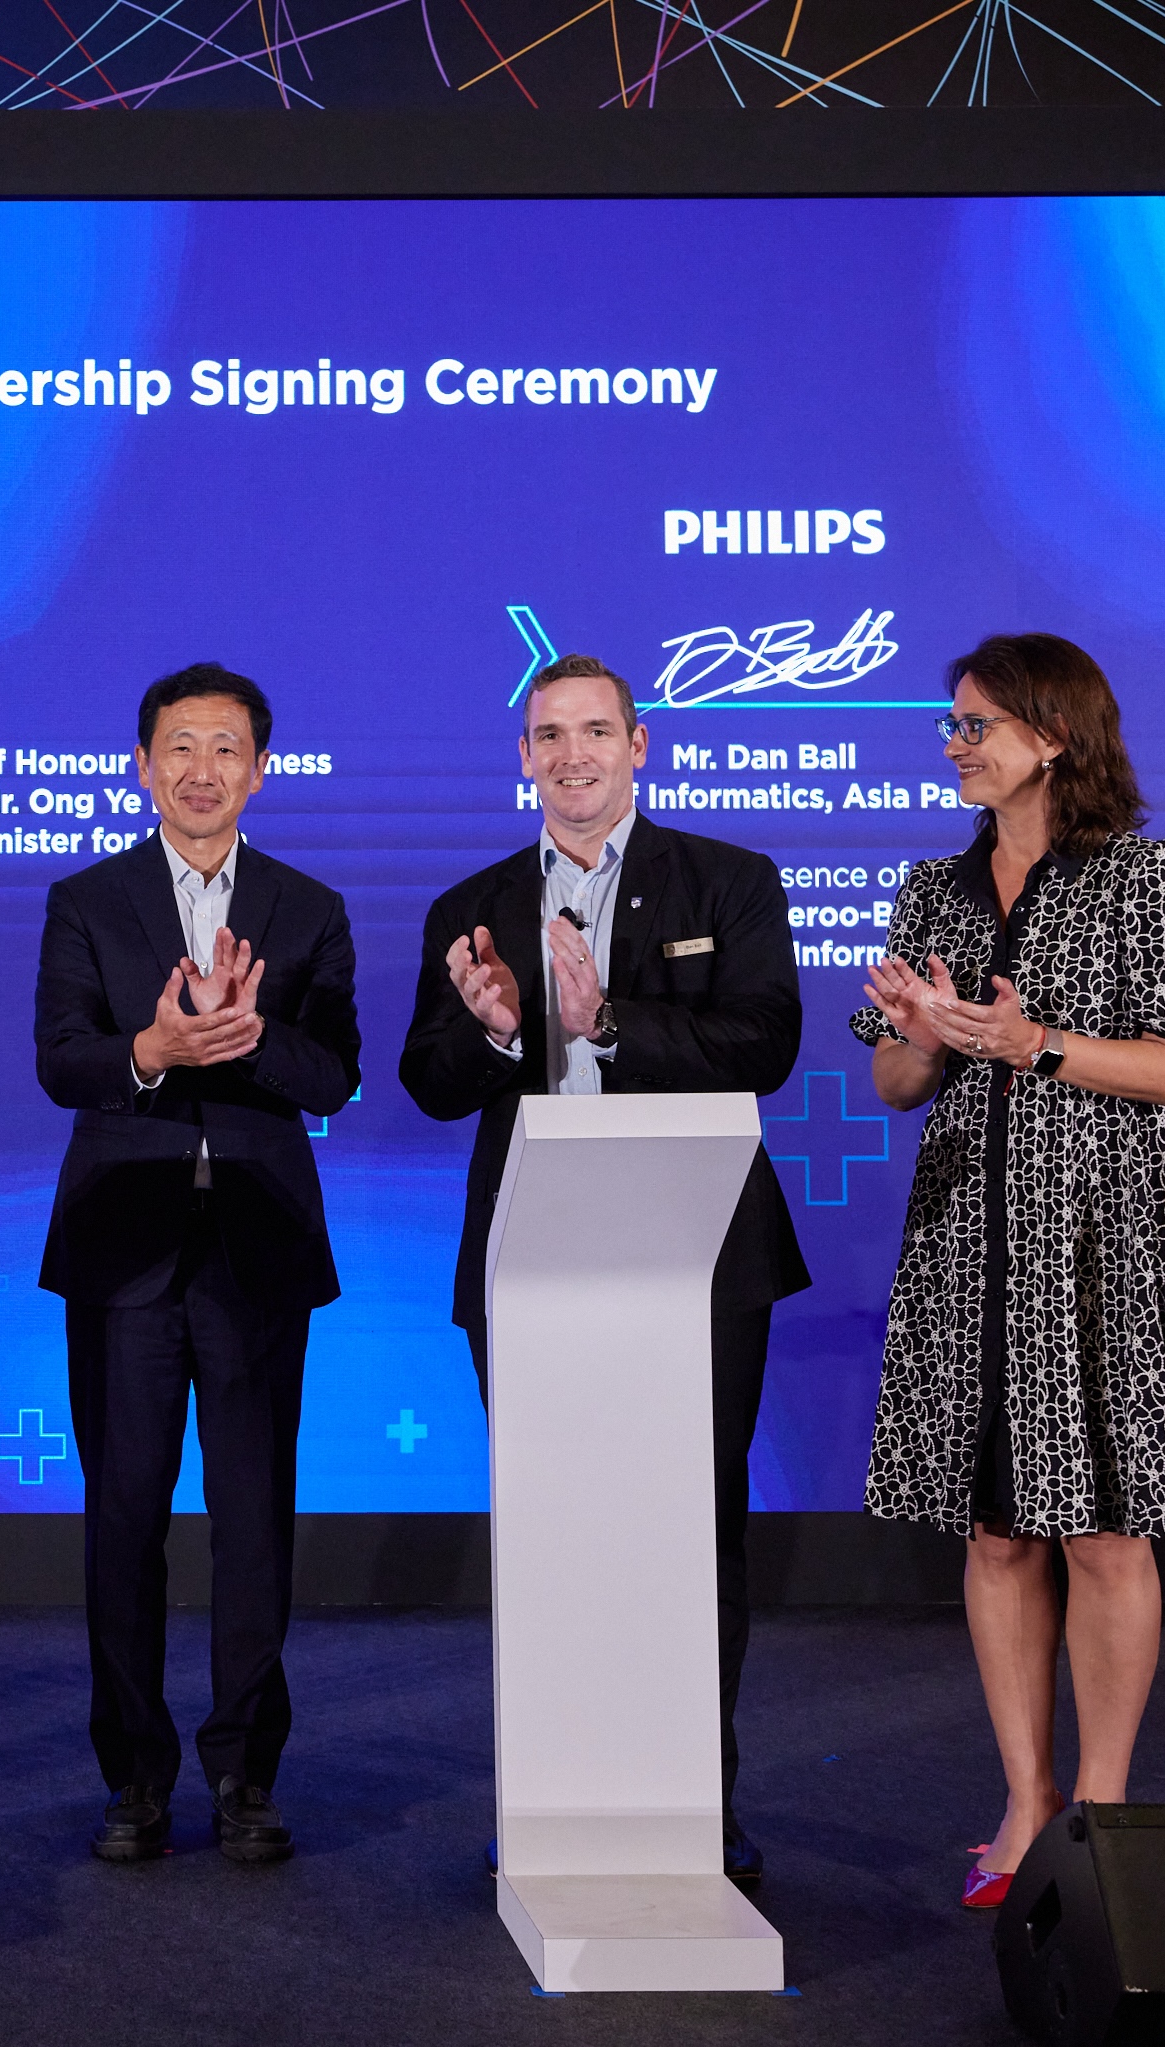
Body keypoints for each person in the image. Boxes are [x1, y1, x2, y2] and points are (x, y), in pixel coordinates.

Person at [853, 632, 1165, 1911]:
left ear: (1055, 732)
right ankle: (1026, 1794)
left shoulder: (1151, 880)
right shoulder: (935, 887)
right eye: (952, 725)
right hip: (972, 1235)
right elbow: (893, 1081)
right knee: (994, 1534)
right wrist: (926, 1037)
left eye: (976, 723)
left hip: (1112, 1239)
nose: (956, 744)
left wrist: (1035, 1043)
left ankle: (1103, 1806)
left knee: (1100, 1529)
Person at [397, 652, 808, 1890]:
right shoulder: (470, 905)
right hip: (532, 1263)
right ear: (522, 758)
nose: (571, 755)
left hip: (700, 1260)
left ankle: (697, 1795)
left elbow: (768, 1043)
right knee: (554, 1526)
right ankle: (563, 1795)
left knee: (694, 1526)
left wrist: (609, 1023)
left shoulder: (730, 880)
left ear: (641, 744)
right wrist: (499, 1030)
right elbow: (425, 1084)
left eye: (593, 731)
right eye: (546, 735)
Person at [35, 662, 359, 1866]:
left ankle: (244, 1772)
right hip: (123, 1249)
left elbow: (336, 1074)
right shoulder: (88, 901)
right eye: (179, 746)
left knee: (252, 1522)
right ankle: (132, 1775)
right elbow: (63, 1062)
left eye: (226, 748)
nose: (201, 769)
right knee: (122, 1521)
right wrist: (156, 1048)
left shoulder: (307, 907)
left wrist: (256, 1037)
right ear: (142, 764)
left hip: (257, 1253)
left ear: (259, 771)